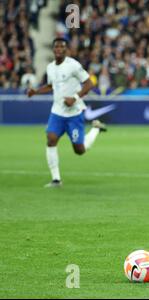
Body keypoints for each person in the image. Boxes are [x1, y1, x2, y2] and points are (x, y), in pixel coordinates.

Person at [27, 38, 107, 188]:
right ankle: (56, 179)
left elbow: (89, 83)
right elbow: (51, 86)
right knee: (51, 139)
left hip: (74, 114)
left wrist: (75, 98)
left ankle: (96, 128)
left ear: (66, 50)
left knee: (79, 150)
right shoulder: (50, 67)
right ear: (53, 49)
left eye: (62, 47)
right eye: (56, 47)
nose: (59, 49)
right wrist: (35, 92)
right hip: (57, 112)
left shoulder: (73, 65)